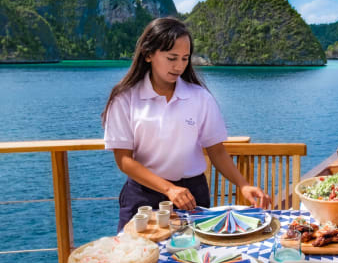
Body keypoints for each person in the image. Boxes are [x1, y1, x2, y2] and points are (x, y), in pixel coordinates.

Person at [102, 17, 270, 231]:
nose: (179, 66)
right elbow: (124, 160)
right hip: (142, 197)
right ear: (148, 54)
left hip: (192, 194)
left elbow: (216, 151)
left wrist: (243, 184)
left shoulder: (200, 97)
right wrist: (169, 189)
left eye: (184, 58)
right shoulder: (125, 98)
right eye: (172, 58)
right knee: (135, 261)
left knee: (194, 261)